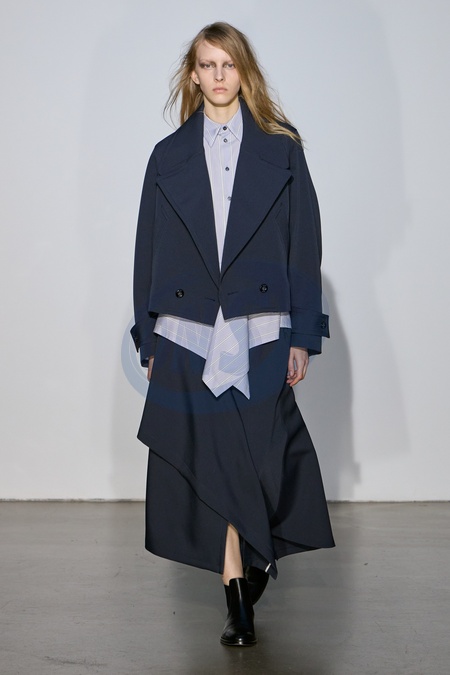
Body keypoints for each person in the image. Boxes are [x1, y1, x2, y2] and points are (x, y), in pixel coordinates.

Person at [131, 21, 334, 647]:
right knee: (215, 463)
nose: (218, 76)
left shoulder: (283, 150)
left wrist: (303, 334)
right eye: (207, 65)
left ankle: (257, 560)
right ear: (193, 75)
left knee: (264, 459)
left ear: (243, 71)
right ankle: (235, 594)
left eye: (228, 64)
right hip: (189, 330)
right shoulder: (167, 157)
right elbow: (148, 251)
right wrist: (148, 339)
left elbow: (304, 246)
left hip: (262, 326)